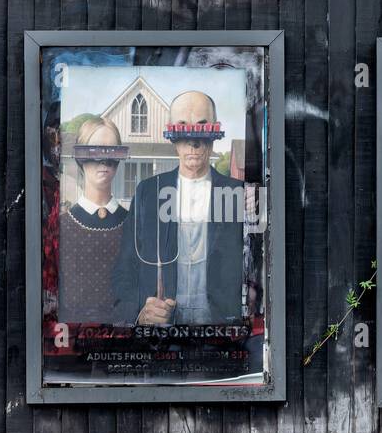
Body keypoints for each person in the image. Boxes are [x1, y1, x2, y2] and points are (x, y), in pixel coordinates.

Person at [111, 89, 246, 325]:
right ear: (172, 133)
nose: (193, 141)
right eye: (183, 127)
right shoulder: (147, 192)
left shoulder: (239, 194)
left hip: (221, 327)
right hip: (163, 328)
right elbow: (125, 269)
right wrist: (140, 312)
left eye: (202, 127)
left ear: (215, 132)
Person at [58, 118, 130, 324]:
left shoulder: (134, 224)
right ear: (81, 157)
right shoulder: (60, 227)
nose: (104, 162)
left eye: (111, 153)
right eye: (95, 152)